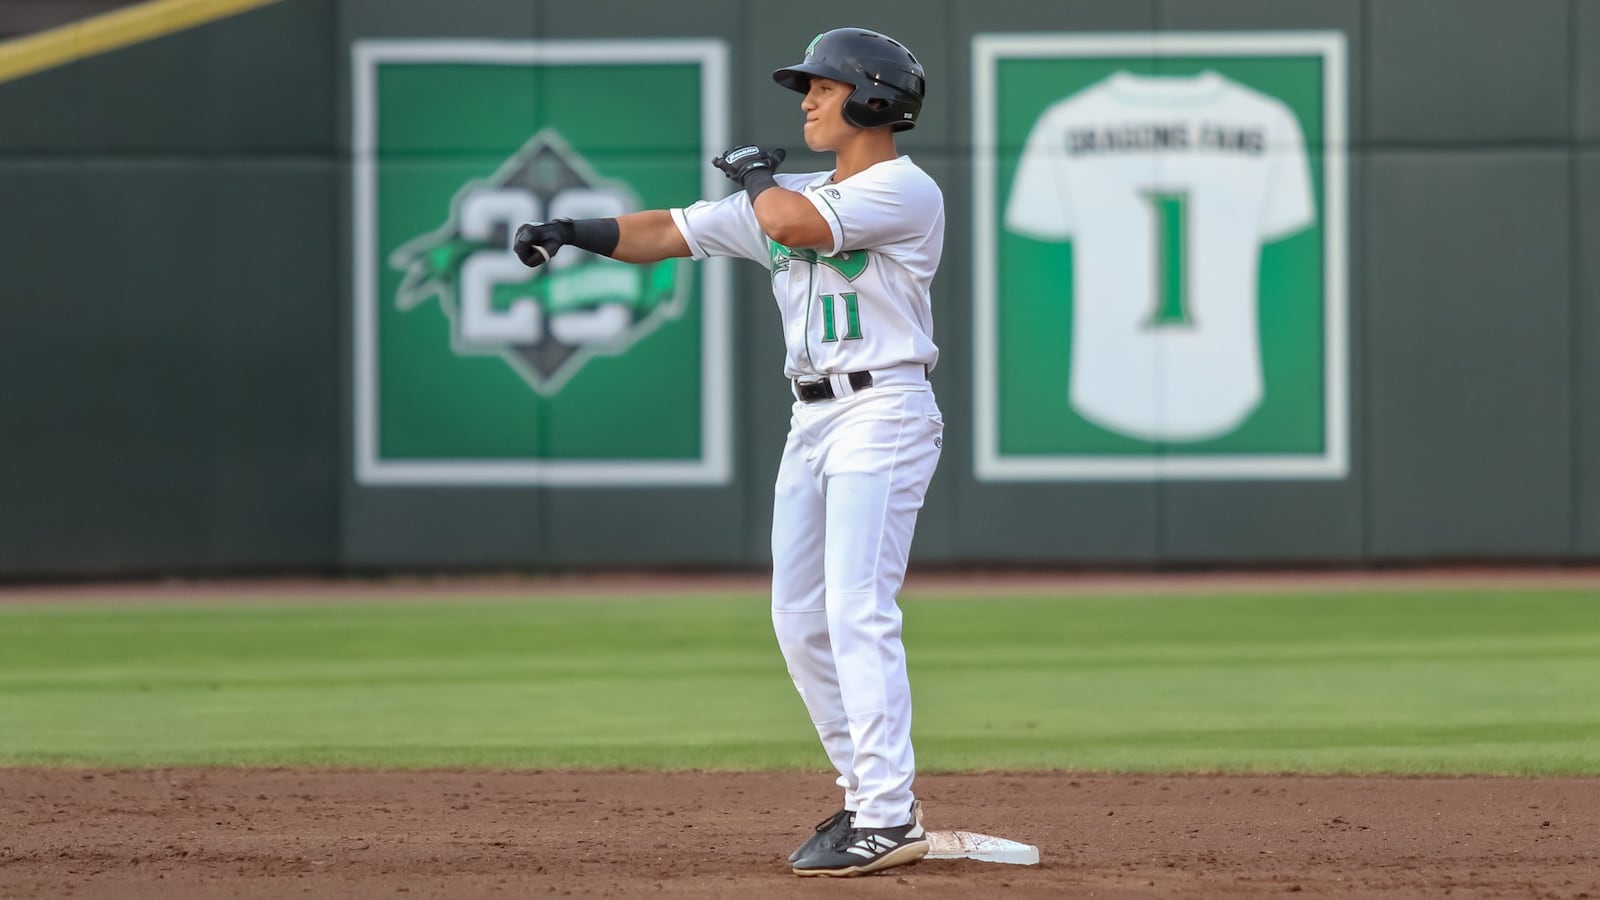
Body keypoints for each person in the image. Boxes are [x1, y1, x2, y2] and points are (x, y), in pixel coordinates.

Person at [512, 26, 943, 878]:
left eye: (823, 87)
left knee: (857, 607)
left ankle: (889, 815)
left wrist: (756, 175)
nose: (809, 100)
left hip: (883, 409)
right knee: (797, 619)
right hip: (812, 419)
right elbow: (669, 231)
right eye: (808, 88)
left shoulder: (904, 189)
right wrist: (570, 228)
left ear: (873, 99)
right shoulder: (798, 193)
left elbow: (782, 215)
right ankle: (869, 794)